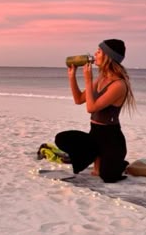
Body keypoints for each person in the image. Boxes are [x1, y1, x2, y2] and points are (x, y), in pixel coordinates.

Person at [54, 39, 136, 184]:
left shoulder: (118, 85)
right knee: (61, 138)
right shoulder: (101, 78)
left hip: (111, 137)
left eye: (99, 52)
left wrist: (88, 79)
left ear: (108, 57)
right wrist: (72, 77)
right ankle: (97, 157)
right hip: (95, 134)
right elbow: (79, 99)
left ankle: (118, 162)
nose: (94, 54)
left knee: (108, 177)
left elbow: (91, 108)